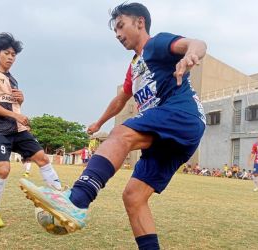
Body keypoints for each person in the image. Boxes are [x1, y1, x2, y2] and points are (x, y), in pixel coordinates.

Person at [20, 3, 206, 249]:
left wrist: (192, 54)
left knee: (121, 134)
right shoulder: (135, 66)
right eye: (115, 30)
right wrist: (99, 122)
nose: (118, 34)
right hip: (167, 132)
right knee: (133, 197)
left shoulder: (156, 44)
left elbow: (197, 43)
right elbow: (121, 99)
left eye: (121, 26)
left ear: (139, 22)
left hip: (181, 114)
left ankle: (77, 200)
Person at [0, 32, 63, 228]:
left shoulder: (13, 80)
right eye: (7, 53)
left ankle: (60, 200)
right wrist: (15, 115)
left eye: (13, 55)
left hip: (18, 129)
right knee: (4, 170)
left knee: (42, 158)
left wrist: (21, 101)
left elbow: (14, 106)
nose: (10, 57)